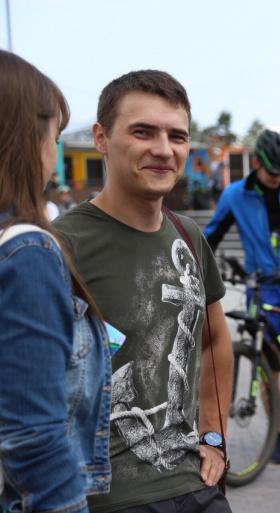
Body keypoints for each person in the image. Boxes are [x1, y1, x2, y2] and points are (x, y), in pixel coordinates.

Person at [53, 70, 233, 513]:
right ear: (101, 138)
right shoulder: (59, 246)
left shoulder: (188, 236)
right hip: (108, 499)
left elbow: (214, 340)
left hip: (197, 485)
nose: (164, 149)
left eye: (177, 136)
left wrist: (213, 437)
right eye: (143, 132)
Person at [0, 49, 111, 513]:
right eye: (55, 136)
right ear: (26, 138)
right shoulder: (26, 251)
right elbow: (33, 436)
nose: (55, 152)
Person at [205, 128, 280, 464]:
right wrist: (198, 272)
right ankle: (278, 435)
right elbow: (210, 237)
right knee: (271, 366)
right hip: (262, 285)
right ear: (257, 162)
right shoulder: (235, 195)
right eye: (273, 172)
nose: (278, 178)